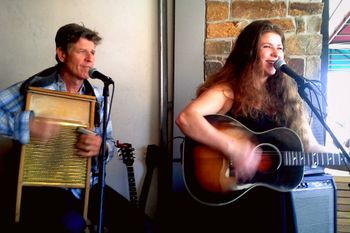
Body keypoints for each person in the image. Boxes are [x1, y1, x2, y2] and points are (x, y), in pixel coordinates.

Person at [175, 20, 332, 233]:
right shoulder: (228, 91)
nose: (276, 54)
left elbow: (310, 148)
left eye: (280, 48)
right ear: (249, 52)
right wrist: (233, 147)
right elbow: (187, 118)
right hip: (235, 201)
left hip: (274, 202)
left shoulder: (289, 99)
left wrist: (344, 158)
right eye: (267, 47)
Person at [0, 23, 152, 233]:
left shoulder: (98, 96)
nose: (90, 59)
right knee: (71, 225)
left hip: (90, 184)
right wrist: (27, 125)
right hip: (45, 187)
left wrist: (101, 148)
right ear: (62, 54)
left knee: (142, 226)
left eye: (93, 52)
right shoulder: (34, 88)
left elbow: (109, 143)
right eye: (82, 51)